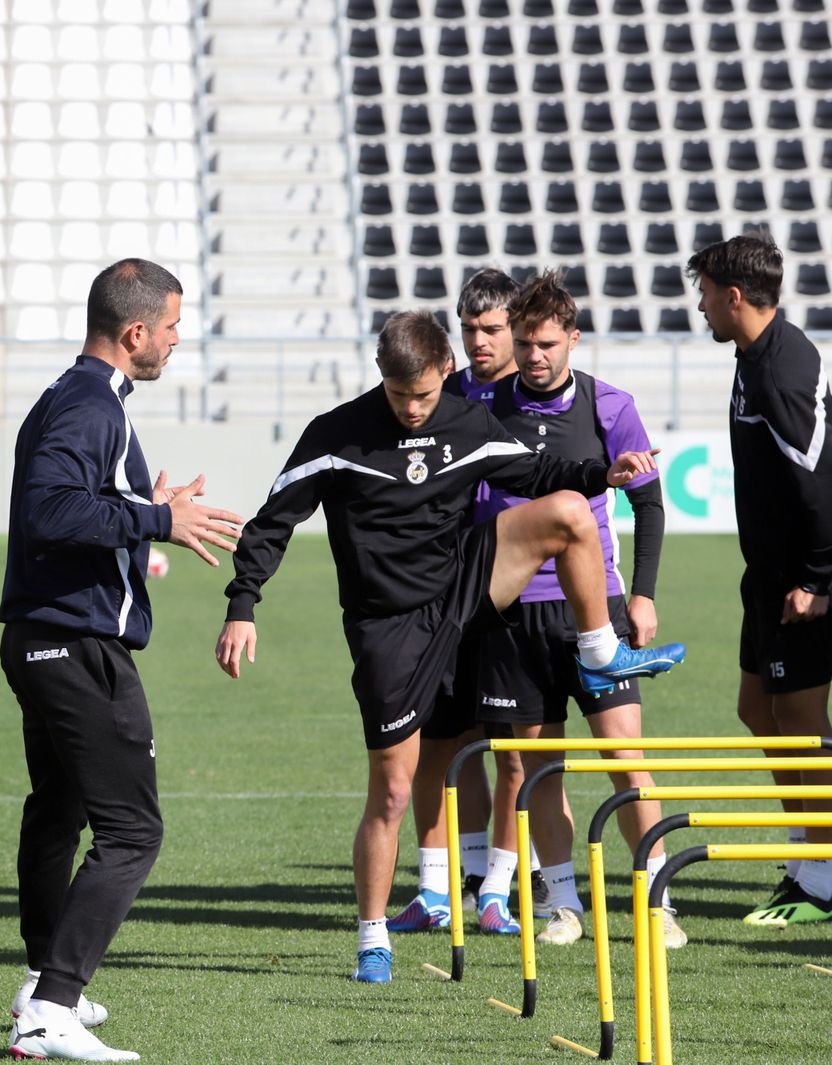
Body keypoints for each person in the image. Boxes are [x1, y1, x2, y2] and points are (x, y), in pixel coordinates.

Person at [214, 310, 686, 984]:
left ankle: (599, 648)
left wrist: (600, 473)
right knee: (393, 790)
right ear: (383, 377)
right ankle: (373, 936)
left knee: (569, 513)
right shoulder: (336, 435)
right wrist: (243, 605)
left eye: (425, 394)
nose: (412, 408)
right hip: (389, 626)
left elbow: (536, 468)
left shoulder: (466, 419)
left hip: (464, 585)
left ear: (445, 374)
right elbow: (272, 522)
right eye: (399, 394)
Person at [1, 259, 241, 1060]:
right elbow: (50, 509)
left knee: (58, 811)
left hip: (46, 638)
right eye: (171, 327)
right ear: (135, 331)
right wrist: (157, 520)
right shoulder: (88, 404)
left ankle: (43, 983)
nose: (176, 340)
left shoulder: (78, 397)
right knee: (133, 830)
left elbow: (79, 503)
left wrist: (147, 512)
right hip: (74, 645)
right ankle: (50, 1007)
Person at [463, 271, 684, 949]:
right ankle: (564, 903)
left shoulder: (609, 406)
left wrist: (642, 594)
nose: (534, 355)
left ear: (573, 340)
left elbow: (647, 502)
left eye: (547, 343)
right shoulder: (483, 407)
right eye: (525, 342)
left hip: (594, 610)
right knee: (531, 769)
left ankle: (658, 901)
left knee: (624, 756)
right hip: (510, 617)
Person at [689, 234, 832, 924]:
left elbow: (820, 487)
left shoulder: (782, 370)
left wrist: (819, 581)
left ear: (735, 296)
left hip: (802, 586)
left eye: (707, 293)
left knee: (803, 723)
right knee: (759, 712)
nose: (703, 306)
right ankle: (807, 859)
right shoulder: (756, 355)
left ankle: (822, 879)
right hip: (767, 578)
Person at [389, 268, 520, 933]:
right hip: (445, 587)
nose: (479, 341)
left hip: (518, 591)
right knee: (446, 735)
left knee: (517, 743)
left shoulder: (534, 394)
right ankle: (454, 883)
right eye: (469, 329)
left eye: (491, 328)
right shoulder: (449, 391)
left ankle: (503, 884)